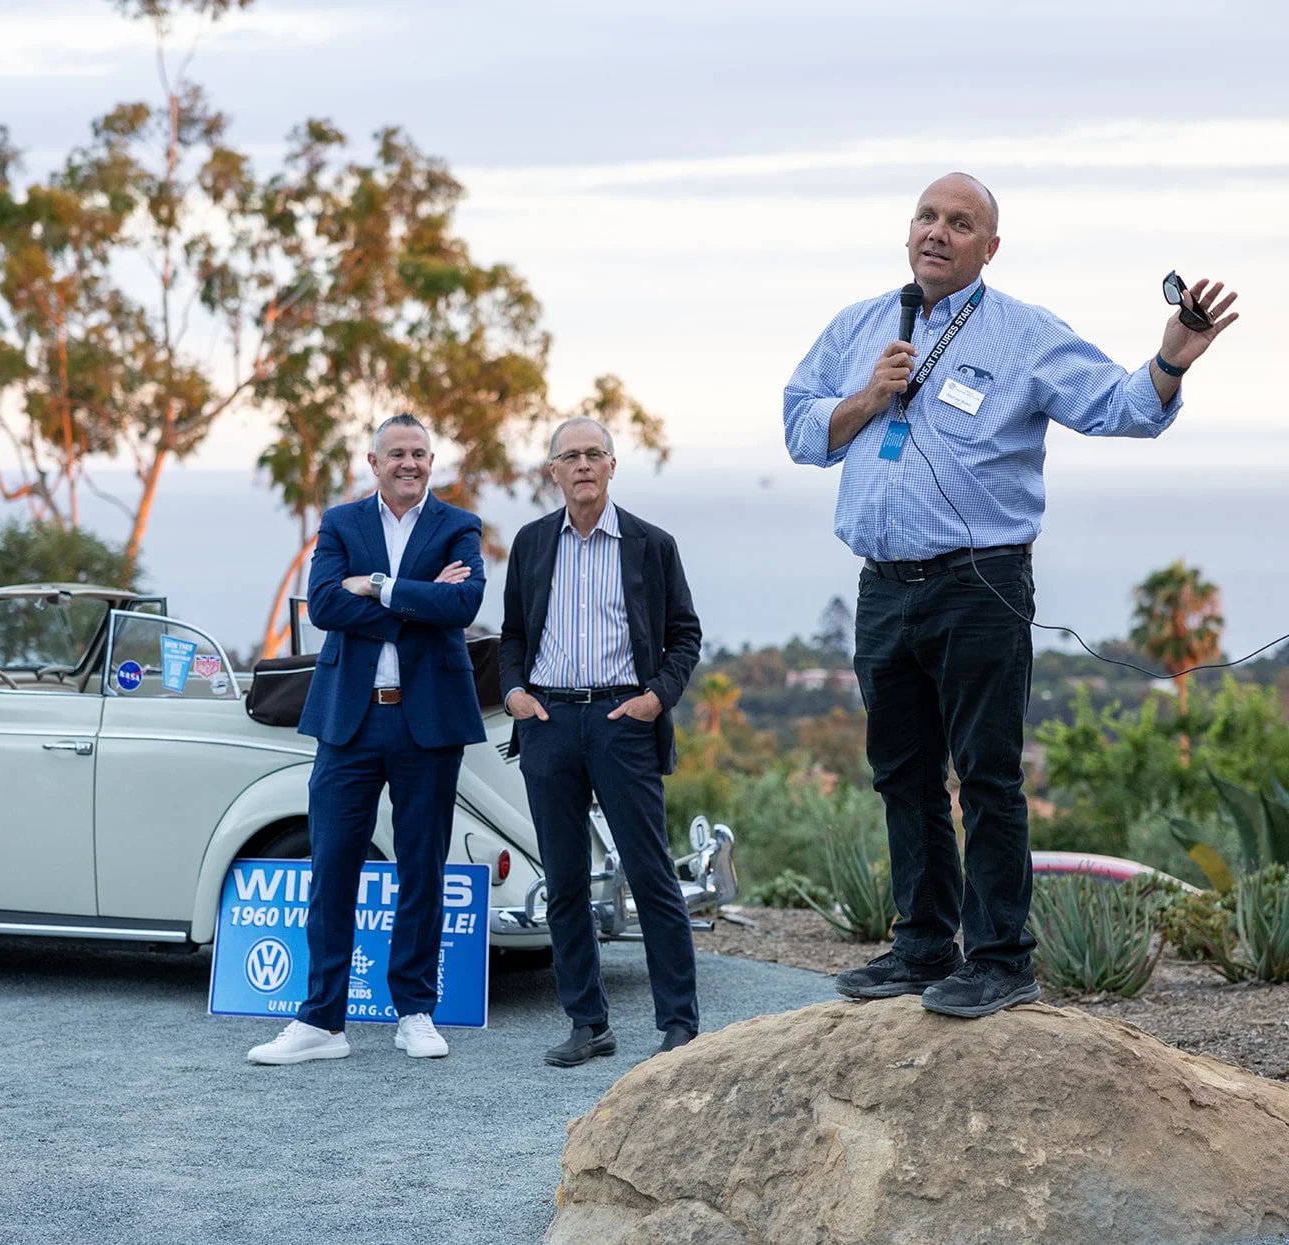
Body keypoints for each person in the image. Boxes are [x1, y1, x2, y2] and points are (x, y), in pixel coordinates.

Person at [783, 172, 1239, 1018]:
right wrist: (867, 397)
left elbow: (1122, 407)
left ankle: (1000, 958)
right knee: (902, 774)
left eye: (961, 223)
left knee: (987, 776)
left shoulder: (1025, 334)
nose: (937, 232)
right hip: (883, 589)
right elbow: (801, 428)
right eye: (927, 216)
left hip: (979, 584)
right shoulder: (858, 326)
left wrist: (1172, 354)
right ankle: (922, 944)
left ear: (989, 248)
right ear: (908, 229)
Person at [247, 413, 487, 1064]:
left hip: (428, 718)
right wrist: (417, 599)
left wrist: (378, 587)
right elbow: (324, 604)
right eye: (396, 454)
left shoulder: (458, 527)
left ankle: (415, 1010)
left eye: (420, 453)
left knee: (421, 869)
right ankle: (321, 1021)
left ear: (431, 461)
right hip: (349, 720)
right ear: (373, 462)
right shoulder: (342, 523)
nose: (409, 463)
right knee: (331, 868)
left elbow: (461, 608)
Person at [500, 416, 703, 1066]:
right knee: (563, 881)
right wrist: (516, 697)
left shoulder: (651, 544)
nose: (583, 464)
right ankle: (589, 1024)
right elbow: (510, 636)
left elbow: (684, 633)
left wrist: (655, 698)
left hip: (623, 722)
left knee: (649, 873)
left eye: (594, 454)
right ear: (553, 471)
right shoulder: (532, 543)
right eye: (571, 456)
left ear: (612, 466)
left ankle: (679, 1024)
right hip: (549, 724)